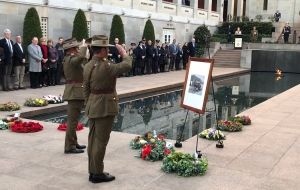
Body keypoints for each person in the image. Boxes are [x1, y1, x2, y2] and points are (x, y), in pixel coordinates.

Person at [83, 35, 132, 183]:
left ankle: (92, 170)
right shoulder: (106, 66)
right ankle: (97, 173)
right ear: (103, 50)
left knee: (92, 140)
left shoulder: (88, 65)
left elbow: (86, 89)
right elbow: (127, 65)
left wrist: (89, 103)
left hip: (93, 105)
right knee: (101, 142)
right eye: (106, 49)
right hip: (104, 107)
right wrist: (124, 53)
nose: (107, 51)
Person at [62, 38, 87, 154]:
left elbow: (83, 61)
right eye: (76, 48)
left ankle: (73, 143)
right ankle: (69, 147)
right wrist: (84, 46)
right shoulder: (70, 59)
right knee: (72, 122)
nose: (78, 49)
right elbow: (80, 58)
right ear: (71, 49)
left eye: (78, 47)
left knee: (74, 121)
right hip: (74, 93)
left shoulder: (71, 59)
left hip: (76, 92)